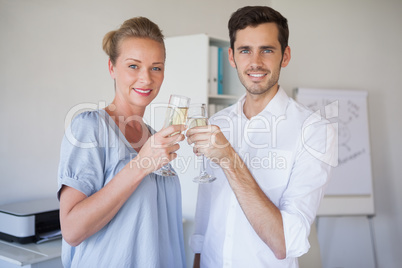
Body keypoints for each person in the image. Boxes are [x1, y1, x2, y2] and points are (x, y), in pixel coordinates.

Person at [187, 6, 336, 268]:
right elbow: (206, 212)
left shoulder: (314, 132)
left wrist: (230, 159)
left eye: (267, 50)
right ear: (232, 57)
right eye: (245, 50)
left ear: (285, 55)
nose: (255, 62)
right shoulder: (217, 123)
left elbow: (285, 244)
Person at [57, 17, 186, 268]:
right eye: (133, 66)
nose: (146, 79)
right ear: (112, 68)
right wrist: (142, 164)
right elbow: (71, 230)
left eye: (156, 67)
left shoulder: (153, 136)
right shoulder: (90, 128)